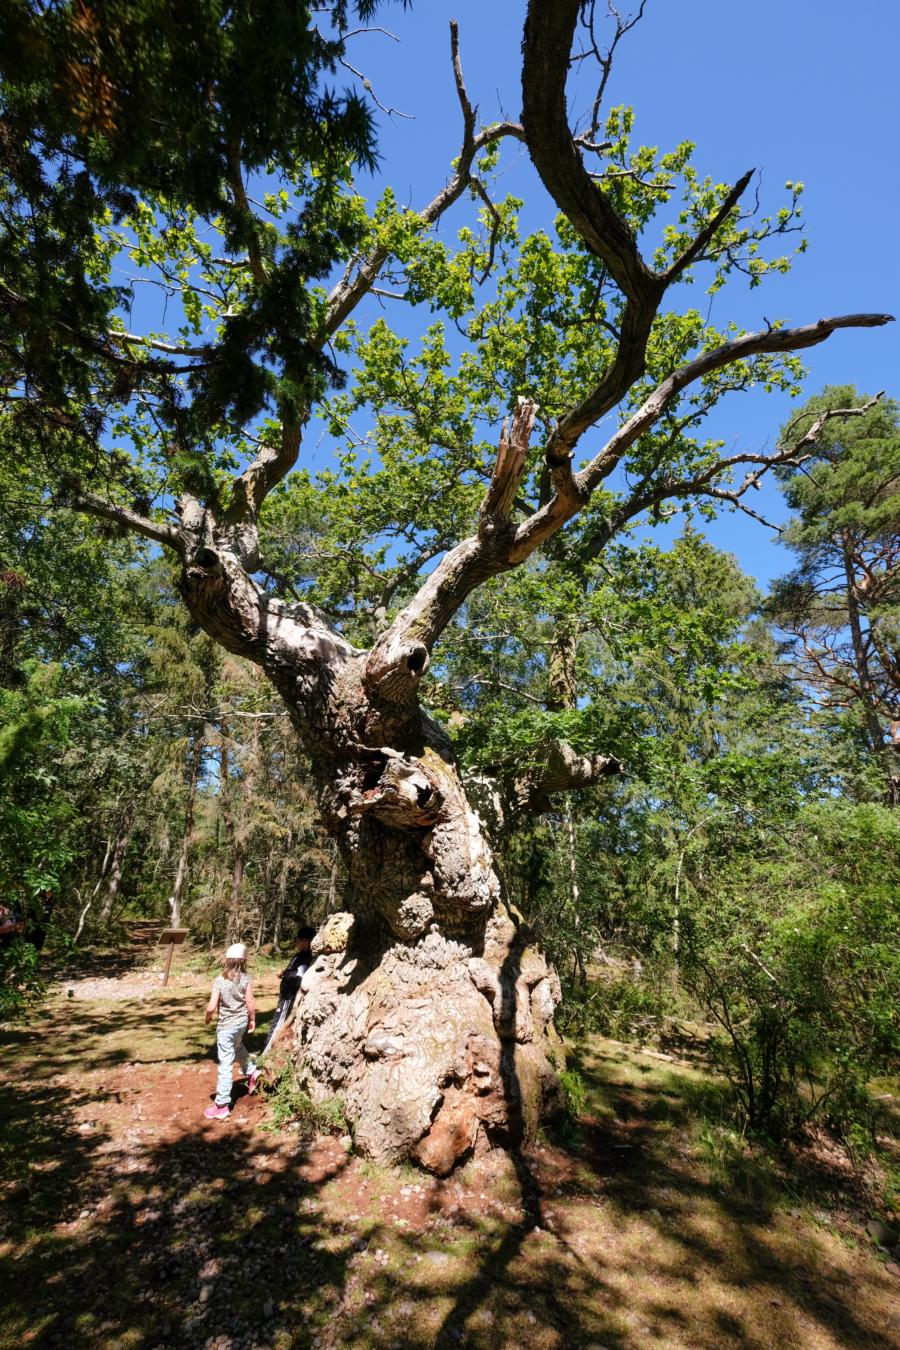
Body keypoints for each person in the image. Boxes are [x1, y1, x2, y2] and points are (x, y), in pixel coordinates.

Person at [203, 942, 260, 1120]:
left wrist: (208, 1016)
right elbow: (249, 1001)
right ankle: (252, 1071)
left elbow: (211, 1006)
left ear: (227, 960)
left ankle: (221, 1105)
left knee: (225, 1065)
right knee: (237, 1046)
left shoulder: (220, 980)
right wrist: (252, 1019)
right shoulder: (246, 978)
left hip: (226, 1027)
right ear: (244, 961)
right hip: (241, 1023)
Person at [260, 925, 316, 1056]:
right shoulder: (299, 956)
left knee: (277, 1025)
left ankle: (263, 1056)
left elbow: (299, 979)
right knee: (277, 1023)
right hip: (285, 995)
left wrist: (286, 975)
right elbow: (294, 971)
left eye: (301, 940)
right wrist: (284, 972)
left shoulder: (306, 958)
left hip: (289, 997)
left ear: (308, 942)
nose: (297, 942)